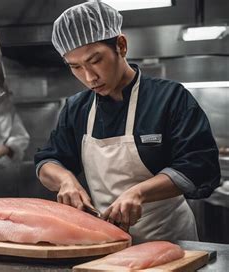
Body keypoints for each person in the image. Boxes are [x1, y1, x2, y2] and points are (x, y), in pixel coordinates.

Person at [34, 2, 220, 243]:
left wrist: (139, 192)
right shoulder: (76, 108)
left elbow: (199, 164)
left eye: (95, 60)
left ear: (121, 46)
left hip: (168, 238)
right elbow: (48, 160)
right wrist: (65, 180)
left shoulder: (170, 98)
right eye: (76, 67)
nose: (89, 77)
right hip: (107, 240)